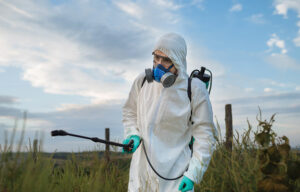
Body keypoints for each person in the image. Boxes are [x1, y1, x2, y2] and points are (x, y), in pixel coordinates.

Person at [122, 33, 218, 192]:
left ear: (178, 60)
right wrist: (133, 133)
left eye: (166, 60)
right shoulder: (143, 81)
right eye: (156, 58)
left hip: (175, 179)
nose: (159, 65)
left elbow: (205, 135)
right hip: (140, 177)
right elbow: (130, 112)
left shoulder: (194, 89)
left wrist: (193, 174)